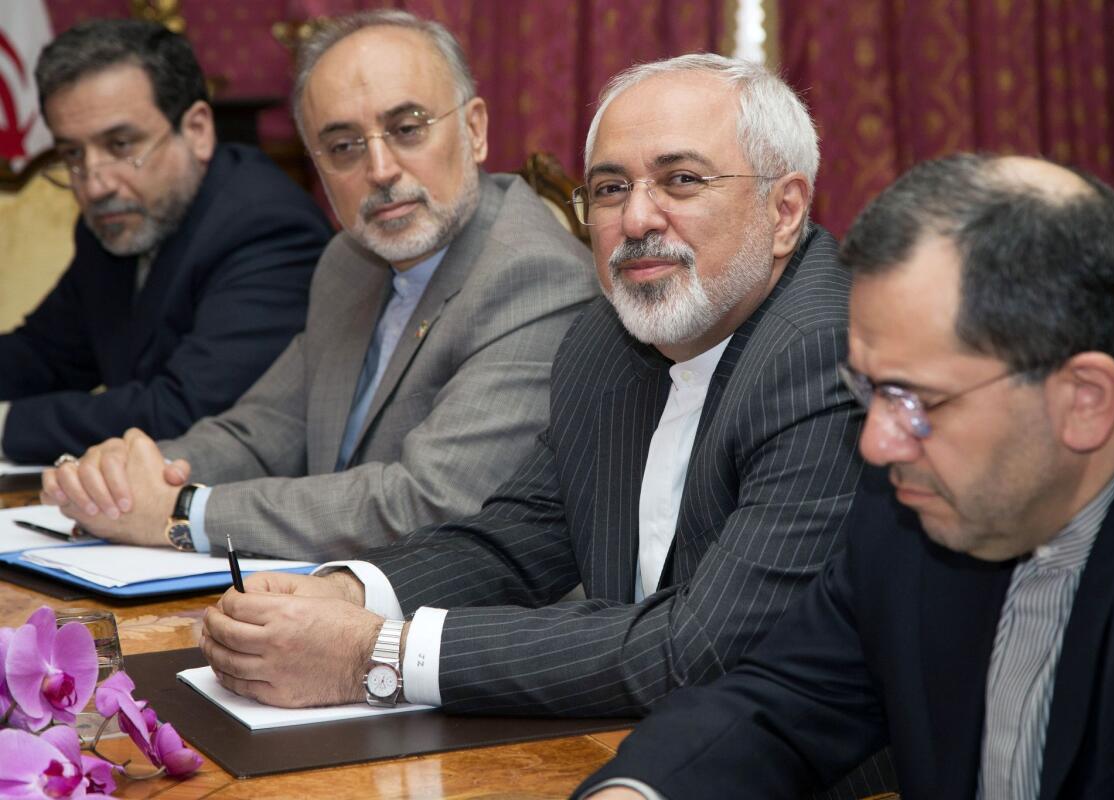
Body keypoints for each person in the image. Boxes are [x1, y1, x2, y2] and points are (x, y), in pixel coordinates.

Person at [197, 52, 895, 798]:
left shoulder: (831, 353)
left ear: (785, 210)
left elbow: (701, 650)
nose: (636, 219)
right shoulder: (611, 335)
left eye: (682, 181)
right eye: (610, 187)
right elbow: (520, 536)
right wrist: (348, 592)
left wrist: (381, 654)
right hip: (603, 746)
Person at [575, 154, 1114, 800]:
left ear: (1085, 399)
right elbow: (784, 700)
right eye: (867, 388)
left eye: (914, 398)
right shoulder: (916, 500)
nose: (875, 442)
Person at [40, 10, 597, 561]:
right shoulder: (350, 260)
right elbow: (263, 431)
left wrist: (182, 512)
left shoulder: (535, 279)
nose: (380, 169)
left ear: (474, 129)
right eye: (344, 146)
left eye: (407, 129)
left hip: (465, 631)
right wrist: (121, 480)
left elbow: (427, 503)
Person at [0, 19, 330, 464]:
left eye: (120, 145)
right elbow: (44, 354)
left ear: (196, 130)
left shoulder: (269, 228)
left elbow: (185, 411)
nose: (95, 185)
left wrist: (6, 425)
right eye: (73, 155)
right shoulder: (114, 221)